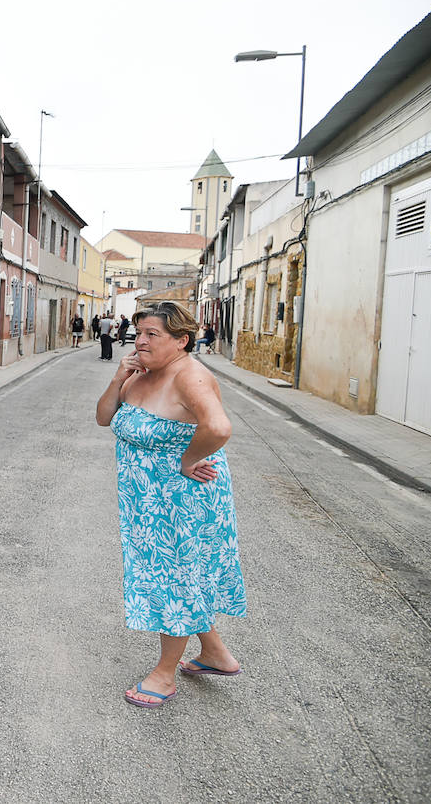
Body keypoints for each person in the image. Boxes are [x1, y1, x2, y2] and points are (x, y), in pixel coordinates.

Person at [95, 301, 247, 709]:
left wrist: (185, 461)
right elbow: (104, 418)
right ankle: (215, 654)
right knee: (180, 578)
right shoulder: (142, 374)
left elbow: (218, 427)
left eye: (151, 335)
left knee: (176, 582)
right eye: (138, 332)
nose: (139, 341)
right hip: (148, 505)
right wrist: (118, 376)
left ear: (181, 341)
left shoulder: (191, 376)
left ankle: (163, 675)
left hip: (184, 502)